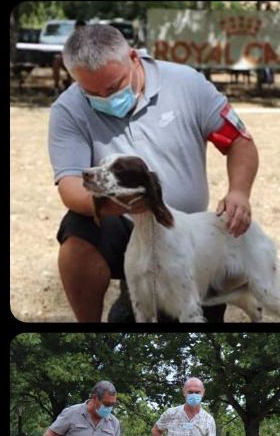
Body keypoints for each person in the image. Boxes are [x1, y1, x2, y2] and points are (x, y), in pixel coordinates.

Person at [48, 23, 260, 323]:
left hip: (185, 225)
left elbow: (238, 141)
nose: (104, 98)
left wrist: (239, 191)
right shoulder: (67, 109)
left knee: (196, 315)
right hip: (119, 218)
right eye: (90, 92)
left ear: (133, 58)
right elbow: (69, 185)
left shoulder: (186, 82)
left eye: (113, 87)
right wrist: (113, 204)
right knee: (77, 232)